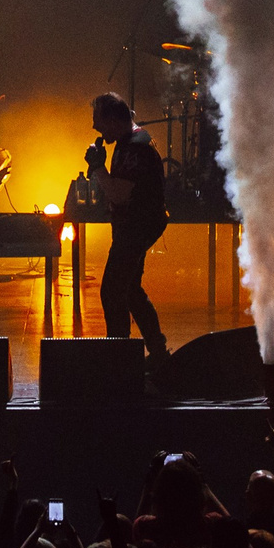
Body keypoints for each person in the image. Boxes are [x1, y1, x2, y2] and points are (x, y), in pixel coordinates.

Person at [84, 91, 169, 368]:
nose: (95, 126)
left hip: (137, 225)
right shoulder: (130, 140)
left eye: (97, 119)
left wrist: (97, 168)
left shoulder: (133, 148)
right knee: (131, 289)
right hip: (140, 223)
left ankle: (120, 360)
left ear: (111, 119)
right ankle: (157, 351)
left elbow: (119, 194)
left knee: (112, 291)